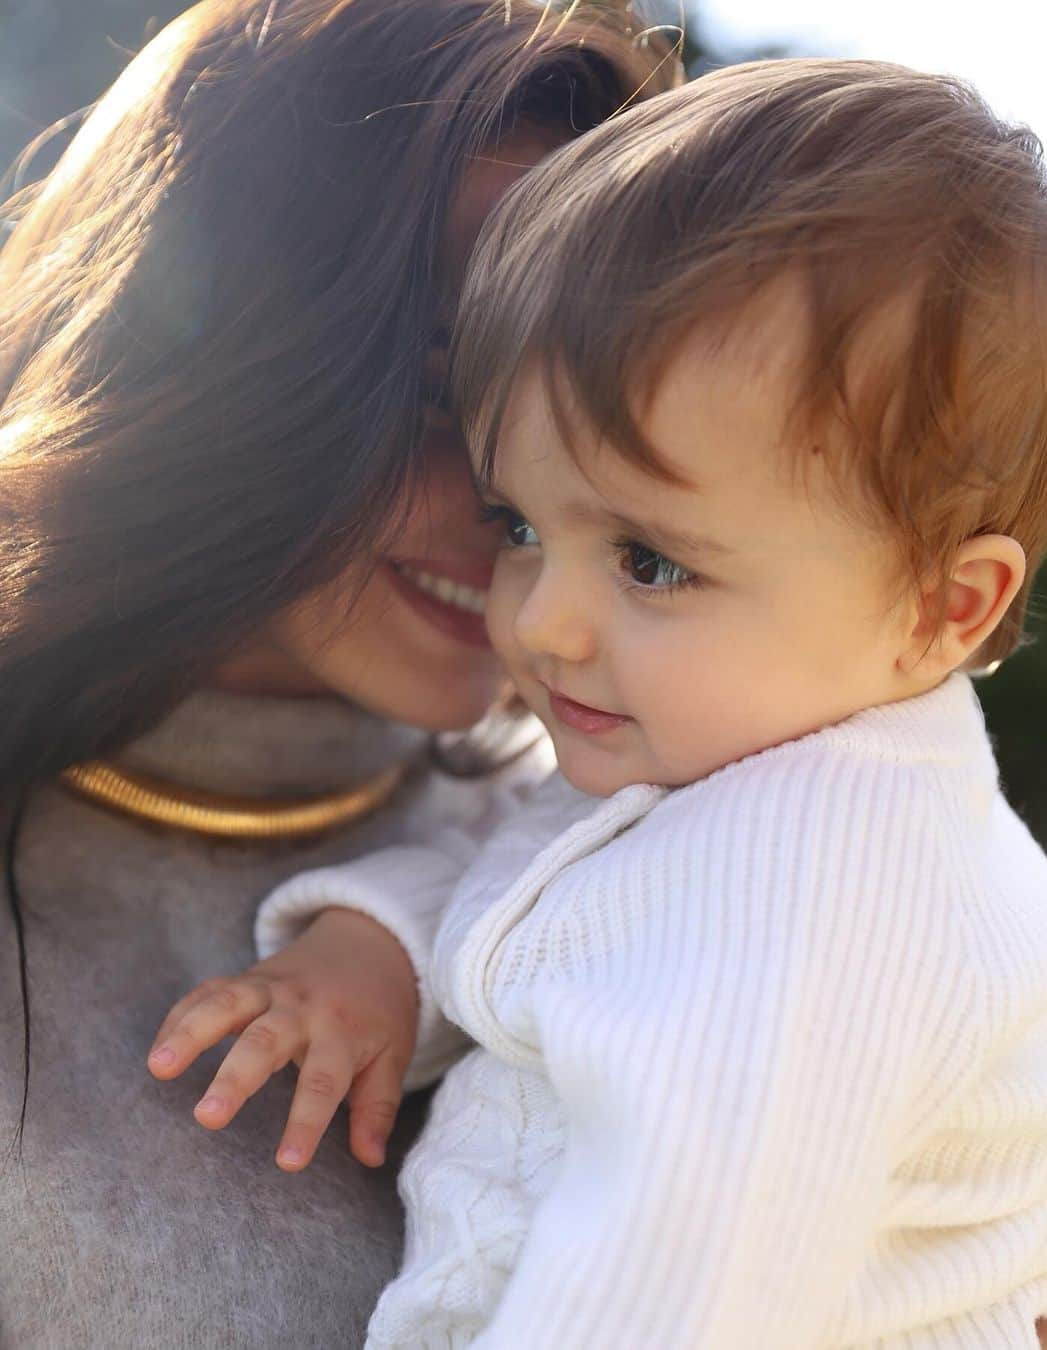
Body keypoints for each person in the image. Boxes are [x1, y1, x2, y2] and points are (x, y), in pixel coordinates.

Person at [155, 60, 1047, 1346]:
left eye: (652, 562)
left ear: (943, 606)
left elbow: (694, 1274)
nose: (540, 618)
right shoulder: (729, 761)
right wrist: (376, 957)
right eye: (519, 522)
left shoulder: (827, 878)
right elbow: (546, 885)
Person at [0, 1, 673, 1344]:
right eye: (443, 399)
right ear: (221, 359)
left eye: (594, 421)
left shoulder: (631, 867)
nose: (528, 506)